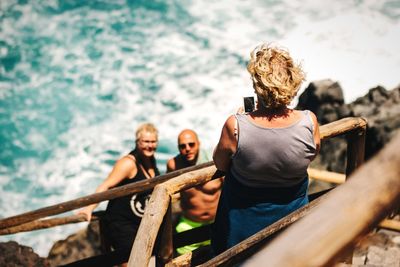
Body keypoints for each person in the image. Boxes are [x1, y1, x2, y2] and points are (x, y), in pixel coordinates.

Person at [211, 43, 320, 254]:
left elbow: (220, 163)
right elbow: (311, 154)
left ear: (257, 85)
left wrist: (242, 121)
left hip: (243, 228)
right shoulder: (309, 122)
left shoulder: (235, 126)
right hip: (292, 223)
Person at [78, 123, 159, 265]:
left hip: (140, 224)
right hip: (121, 224)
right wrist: (89, 208)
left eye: (153, 141)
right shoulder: (128, 163)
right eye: (146, 141)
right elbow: (107, 185)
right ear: (137, 142)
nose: (150, 145)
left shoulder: (150, 160)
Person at [166, 129, 223, 255]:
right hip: (188, 225)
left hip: (216, 223)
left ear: (199, 143)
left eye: (191, 144)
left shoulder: (214, 161)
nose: (187, 149)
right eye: (182, 146)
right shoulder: (174, 164)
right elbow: (168, 194)